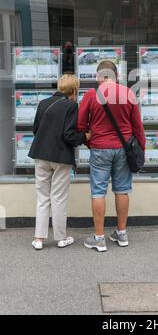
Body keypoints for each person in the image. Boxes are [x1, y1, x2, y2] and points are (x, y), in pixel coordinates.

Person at [77, 60, 146, 252]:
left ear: (99, 76)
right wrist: (142, 149)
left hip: (100, 148)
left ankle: (99, 238)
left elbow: (81, 125)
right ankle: (121, 233)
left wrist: (90, 142)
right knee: (122, 190)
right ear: (115, 75)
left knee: (98, 191)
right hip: (124, 149)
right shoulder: (128, 93)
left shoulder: (91, 95)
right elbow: (137, 126)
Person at [29, 74, 90, 250]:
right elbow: (69, 135)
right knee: (58, 198)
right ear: (74, 89)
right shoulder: (71, 106)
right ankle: (61, 238)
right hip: (61, 158)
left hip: (41, 155)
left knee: (42, 198)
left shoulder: (43, 103)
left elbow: (35, 130)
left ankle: (39, 239)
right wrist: (84, 136)